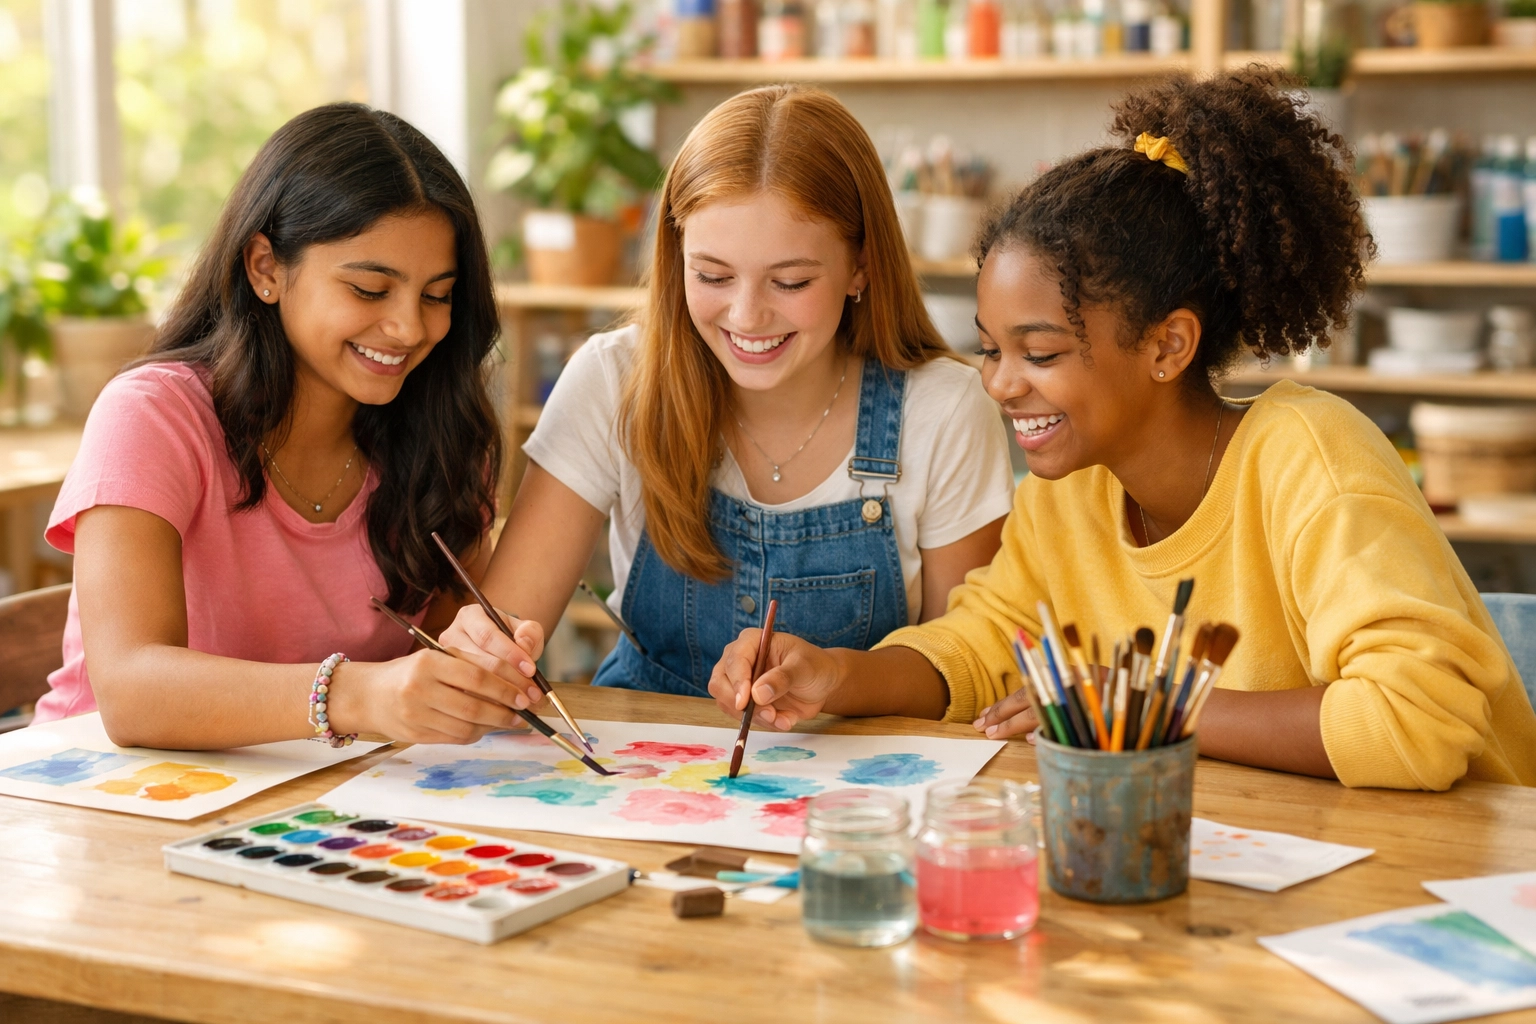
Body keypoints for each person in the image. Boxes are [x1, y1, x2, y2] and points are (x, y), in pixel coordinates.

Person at [706, 69, 1536, 791]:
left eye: (1041, 352)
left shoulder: (1310, 460)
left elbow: (1414, 724)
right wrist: (836, 675)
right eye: (991, 350)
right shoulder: (1066, 495)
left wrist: (1139, 706)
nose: (999, 383)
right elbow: (985, 648)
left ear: (1168, 345)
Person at [443, 85, 1014, 697]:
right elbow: (502, 632)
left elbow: (963, 672)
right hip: (643, 774)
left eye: (790, 281)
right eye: (712, 275)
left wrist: (839, 683)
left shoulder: (945, 410)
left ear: (861, 265)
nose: (747, 316)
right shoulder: (613, 381)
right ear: (676, 255)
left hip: (854, 781)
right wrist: (485, 653)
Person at [37, 103, 531, 750]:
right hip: (100, 802)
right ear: (266, 268)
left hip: (307, 806)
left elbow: (436, 664)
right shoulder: (152, 416)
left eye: (437, 295)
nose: (411, 328)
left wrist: (475, 666)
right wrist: (358, 694)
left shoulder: (442, 431)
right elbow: (131, 693)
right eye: (369, 290)